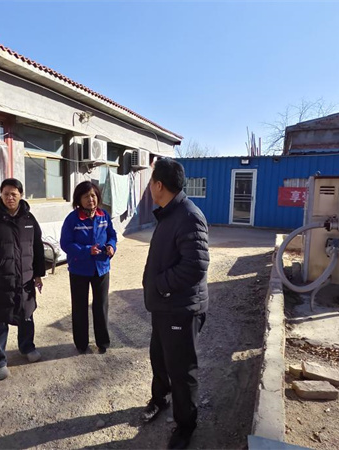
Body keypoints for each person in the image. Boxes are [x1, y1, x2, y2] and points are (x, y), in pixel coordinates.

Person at [140, 158, 209, 450]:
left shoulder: (188, 215)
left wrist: (159, 285)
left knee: (181, 370)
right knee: (159, 357)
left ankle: (186, 425)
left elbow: (195, 266)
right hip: (164, 307)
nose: (149, 187)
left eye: (150, 182)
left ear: (159, 185)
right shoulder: (170, 213)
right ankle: (160, 399)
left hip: (181, 309)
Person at [0, 178, 46, 381]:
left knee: (27, 315)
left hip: (25, 279)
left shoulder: (29, 219)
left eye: (14, 194)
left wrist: (38, 274)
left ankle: (27, 347)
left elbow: (37, 247)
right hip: (0, 280)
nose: (10, 197)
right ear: (1, 195)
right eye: (6, 194)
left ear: (21, 195)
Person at [60, 181, 117, 354]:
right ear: (79, 199)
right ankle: (81, 343)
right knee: (80, 307)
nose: (90, 199)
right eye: (86, 196)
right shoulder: (72, 219)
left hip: (101, 267)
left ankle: (103, 342)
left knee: (101, 306)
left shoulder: (103, 215)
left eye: (93, 195)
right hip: (79, 269)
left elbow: (112, 235)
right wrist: (86, 250)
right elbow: (66, 243)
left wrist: (111, 246)